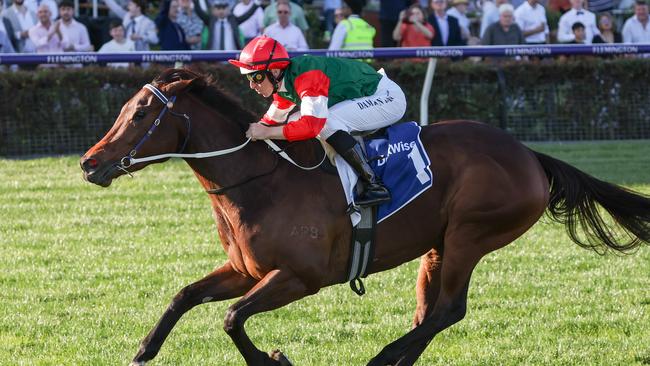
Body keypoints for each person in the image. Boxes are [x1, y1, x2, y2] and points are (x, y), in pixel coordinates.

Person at [228, 36, 407, 206]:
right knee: (296, 119)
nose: (252, 85)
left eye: (256, 77)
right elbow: (272, 119)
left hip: (387, 98)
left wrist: (266, 132)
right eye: (248, 78)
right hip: (368, 97)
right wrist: (254, 131)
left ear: (274, 70)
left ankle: (374, 185)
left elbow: (312, 126)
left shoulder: (307, 75)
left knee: (326, 122)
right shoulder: (285, 80)